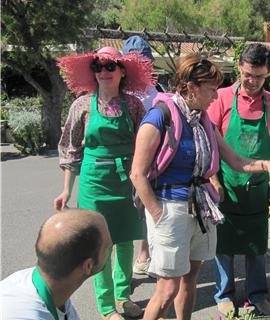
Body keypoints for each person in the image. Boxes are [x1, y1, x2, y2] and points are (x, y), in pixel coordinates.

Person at [130, 54, 270, 320]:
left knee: (190, 280)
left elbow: (236, 160)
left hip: (200, 208)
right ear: (191, 87)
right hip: (170, 208)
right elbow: (137, 175)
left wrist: (266, 165)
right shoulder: (158, 118)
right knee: (168, 288)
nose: (216, 97)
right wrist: (158, 214)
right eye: (212, 90)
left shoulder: (203, 120)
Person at [54, 46, 155, 320]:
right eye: (98, 66)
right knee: (102, 243)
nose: (103, 72)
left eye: (110, 66)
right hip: (94, 182)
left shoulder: (134, 105)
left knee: (124, 240)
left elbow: (143, 145)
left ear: (122, 71)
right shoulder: (82, 105)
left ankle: (123, 296)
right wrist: (66, 189)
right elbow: (71, 149)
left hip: (126, 181)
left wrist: (143, 180)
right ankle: (106, 306)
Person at [206, 43, 270, 316]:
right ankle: (223, 295)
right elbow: (211, 143)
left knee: (256, 244)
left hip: (258, 186)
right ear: (239, 66)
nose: (251, 82)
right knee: (224, 244)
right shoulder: (222, 97)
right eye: (248, 74)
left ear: (269, 73)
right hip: (226, 183)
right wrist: (214, 179)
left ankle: (257, 294)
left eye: (259, 76)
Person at [0, 209, 112, 319]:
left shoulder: (49, 286)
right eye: (107, 248)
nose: (110, 251)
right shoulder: (27, 315)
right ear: (88, 266)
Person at [122, 35, 163, 276]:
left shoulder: (158, 90)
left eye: (144, 62)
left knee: (146, 205)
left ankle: (145, 252)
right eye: (135, 62)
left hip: (152, 160)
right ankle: (120, 274)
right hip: (123, 157)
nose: (141, 67)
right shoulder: (117, 88)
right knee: (124, 212)